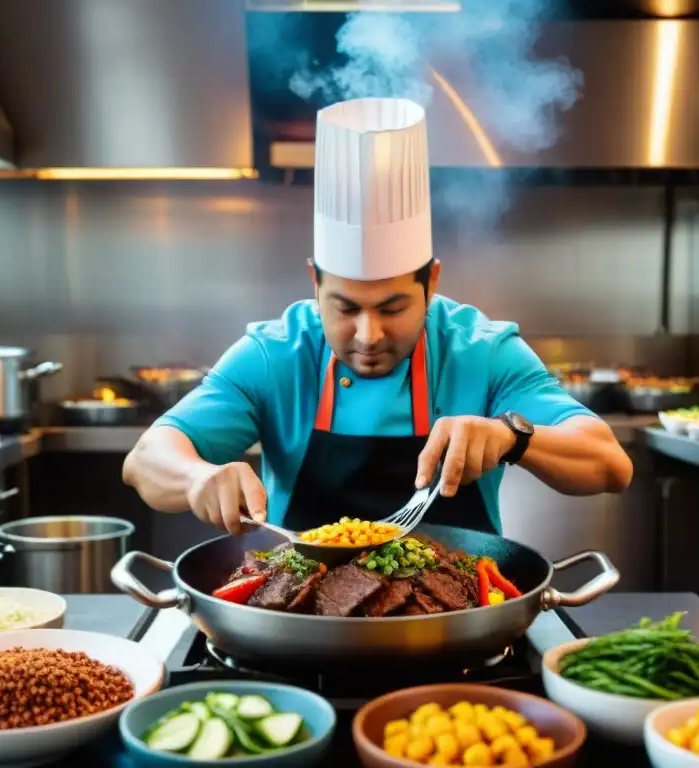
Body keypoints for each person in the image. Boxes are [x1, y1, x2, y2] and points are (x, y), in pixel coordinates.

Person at [123, 97, 633, 535]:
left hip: (460, 627)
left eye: (393, 308)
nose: (368, 335)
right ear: (314, 284)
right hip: (300, 622)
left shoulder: (482, 351)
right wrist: (196, 478)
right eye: (344, 308)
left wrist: (513, 437)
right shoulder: (276, 354)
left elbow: (610, 465)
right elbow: (145, 460)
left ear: (431, 283)